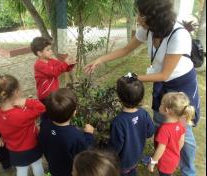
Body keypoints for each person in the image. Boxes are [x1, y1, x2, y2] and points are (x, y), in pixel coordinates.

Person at [84, 0, 200, 175]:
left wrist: (131, 77)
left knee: (183, 126)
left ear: (155, 17)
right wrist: (100, 60)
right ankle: (159, 155)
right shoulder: (148, 30)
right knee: (161, 119)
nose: (137, 18)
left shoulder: (179, 35)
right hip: (162, 80)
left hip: (180, 82)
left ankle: (188, 169)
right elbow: (125, 50)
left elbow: (164, 75)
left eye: (141, 14)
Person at [0, 74, 45, 176]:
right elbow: (41, 108)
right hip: (31, 146)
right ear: (15, 92)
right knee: (37, 165)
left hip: (13, 150)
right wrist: (27, 101)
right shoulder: (22, 115)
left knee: (21, 169)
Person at [38, 88, 94, 176]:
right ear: (74, 113)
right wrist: (89, 135)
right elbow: (84, 153)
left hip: (54, 167)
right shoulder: (75, 136)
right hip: (69, 172)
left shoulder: (44, 124)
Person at [108, 73, 155, 176]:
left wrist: (106, 156)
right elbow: (150, 132)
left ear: (119, 97)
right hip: (136, 156)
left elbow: (115, 147)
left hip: (122, 163)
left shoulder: (118, 122)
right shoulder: (143, 113)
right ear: (141, 97)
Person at [148, 92, 194, 176]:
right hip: (175, 158)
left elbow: (161, 149)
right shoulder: (182, 121)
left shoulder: (164, 129)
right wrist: (175, 152)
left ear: (167, 110)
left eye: (161, 104)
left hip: (165, 161)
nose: (160, 105)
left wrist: (153, 161)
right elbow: (182, 140)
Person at [30, 37, 77, 101]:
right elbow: (54, 72)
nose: (51, 51)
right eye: (48, 50)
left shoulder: (51, 61)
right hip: (45, 95)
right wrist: (65, 64)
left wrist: (70, 64)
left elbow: (62, 67)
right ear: (39, 53)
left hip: (54, 93)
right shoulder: (39, 65)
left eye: (50, 49)